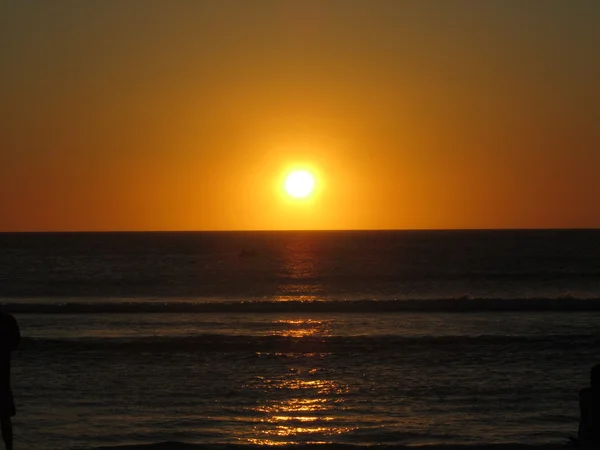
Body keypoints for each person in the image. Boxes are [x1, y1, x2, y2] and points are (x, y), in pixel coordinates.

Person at [0, 312, 20, 450]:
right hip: (3, 372)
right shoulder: (8, 319)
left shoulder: (8, 319)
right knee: (5, 416)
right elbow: (16, 342)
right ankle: (9, 447)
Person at [579, 364, 600, 447]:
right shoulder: (585, 394)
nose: (590, 380)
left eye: (592, 378)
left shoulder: (586, 395)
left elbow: (586, 420)